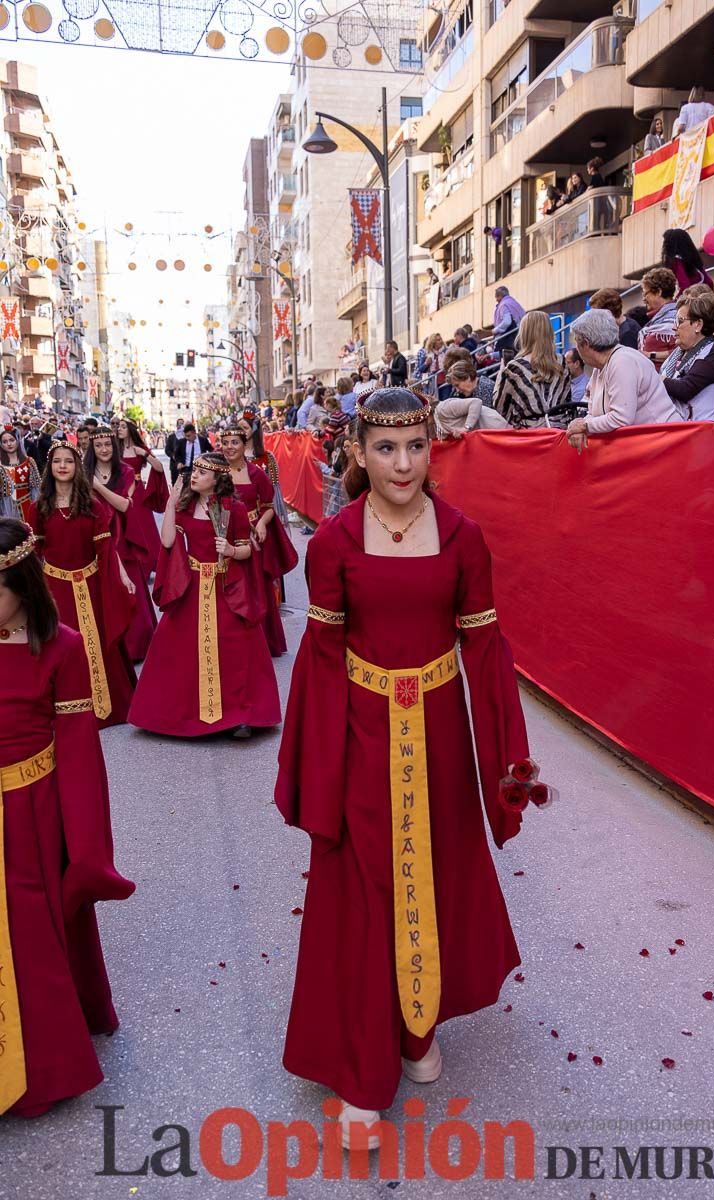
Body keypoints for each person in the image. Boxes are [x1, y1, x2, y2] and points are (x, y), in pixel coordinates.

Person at [275, 385, 552, 1145]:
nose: (404, 463)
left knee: (432, 868)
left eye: (417, 446)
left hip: (438, 732)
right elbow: (321, 659)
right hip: (362, 730)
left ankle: (418, 1028)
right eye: (386, 448)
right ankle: (367, 1067)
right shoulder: (332, 543)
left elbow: (486, 653)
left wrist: (506, 759)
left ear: (433, 449)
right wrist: (315, 769)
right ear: (359, 455)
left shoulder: (464, 539)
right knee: (367, 881)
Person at [0, 517, 135, 1118]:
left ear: (23, 587)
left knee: (32, 934)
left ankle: (40, 1069)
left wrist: (84, 849)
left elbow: (80, 754)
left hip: (32, 810)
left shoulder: (64, 648)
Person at [128, 454, 281, 739]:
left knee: (236, 649)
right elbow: (168, 541)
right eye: (194, 471)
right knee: (179, 650)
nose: (194, 475)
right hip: (193, 586)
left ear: (217, 479)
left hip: (225, 585)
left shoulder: (233, 509)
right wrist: (172, 502)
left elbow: (247, 549)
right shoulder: (185, 508)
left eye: (201, 472)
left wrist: (233, 552)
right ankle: (173, 716)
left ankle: (241, 716)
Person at [28, 441, 137, 727]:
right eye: (57, 462)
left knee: (98, 640)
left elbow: (105, 549)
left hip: (90, 583)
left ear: (77, 468)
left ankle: (110, 708)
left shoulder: (92, 506)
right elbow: (34, 555)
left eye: (69, 461)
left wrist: (121, 575)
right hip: (56, 586)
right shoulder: (38, 508)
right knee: (61, 644)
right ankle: (66, 709)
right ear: (49, 468)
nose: (62, 466)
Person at [220, 426, 298, 657]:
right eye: (225, 443)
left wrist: (262, 524)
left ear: (244, 445)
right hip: (226, 536)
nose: (229, 447)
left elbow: (268, 507)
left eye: (234, 442)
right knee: (230, 588)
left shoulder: (256, 474)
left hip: (253, 539)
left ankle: (263, 641)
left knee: (256, 589)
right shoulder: (218, 473)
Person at [83, 427, 157, 664]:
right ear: (92, 449)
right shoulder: (82, 472)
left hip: (122, 537)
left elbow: (125, 505)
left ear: (113, 446)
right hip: (93, 536)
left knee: (130, 591)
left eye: (107, 444)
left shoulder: (125, 471)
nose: (104, 449)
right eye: (99, 445)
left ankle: (135, 646)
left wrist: (97, 486)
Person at [565, 309, 680, 450]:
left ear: (586, 344)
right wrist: (581, 426)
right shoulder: (600, 367)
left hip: (664, 443)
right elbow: (593, 412)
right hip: (648, 444)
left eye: (577, 341)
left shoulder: (622, 362)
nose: (576, 347)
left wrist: (584, 426)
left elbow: (621, 417)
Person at [660, 291, 714, 421]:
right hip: (680, 430)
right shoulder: (679, 352)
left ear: (698, 325)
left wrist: (655, 379)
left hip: (707, 432)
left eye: (679, 321)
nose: (673, 327)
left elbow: (685, 389)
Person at [493, 310, 571, 427]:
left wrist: (501, 374)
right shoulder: (562, 363)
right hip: (559, 433)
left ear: (524, 334)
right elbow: (567, 401)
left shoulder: (514, 368)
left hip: (530, 436)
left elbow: (500, 408)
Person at [118, 418, 168, 575]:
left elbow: (159, 468)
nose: (119, 429)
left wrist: (145, 454)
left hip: (138, 492)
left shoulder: (140, 448)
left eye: (123, 426)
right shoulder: (114, 449)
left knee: (143, 527)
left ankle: (147, 564)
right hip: (119, 492)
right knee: (123, 527)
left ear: (131, 429)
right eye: (118, 426)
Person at [433, 361, 509, 437]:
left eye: (457, 385)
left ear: (468, 378)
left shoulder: (485, 388)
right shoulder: (474, 389)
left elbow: (487, 420)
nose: (457, 390)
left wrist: (466, 427)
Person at [0, 426, 40, 522]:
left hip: (28, 507)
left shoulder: (29, 462)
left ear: (17, 441)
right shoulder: (0, 465)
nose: (9, 444)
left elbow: (36, 490)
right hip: (5, 511)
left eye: (12, 440)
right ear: (1, 445)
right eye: (4, 442)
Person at [492, 285, 526, 355]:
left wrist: (495, 330)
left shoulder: (504, 305)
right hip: (521, 335)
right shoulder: (514, 303)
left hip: (509, 339)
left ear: (500, 296)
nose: (496, 300)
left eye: (497, 297)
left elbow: (507, 322)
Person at [164, 418, 185, 485]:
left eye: (182, 423)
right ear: (177, 425)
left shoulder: (187, 436)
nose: (181, 425)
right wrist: (172, 455)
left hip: (185, 465)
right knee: (175, 483)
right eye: (179, 424)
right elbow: (167, 450)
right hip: (174, 465)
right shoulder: (172, 437)